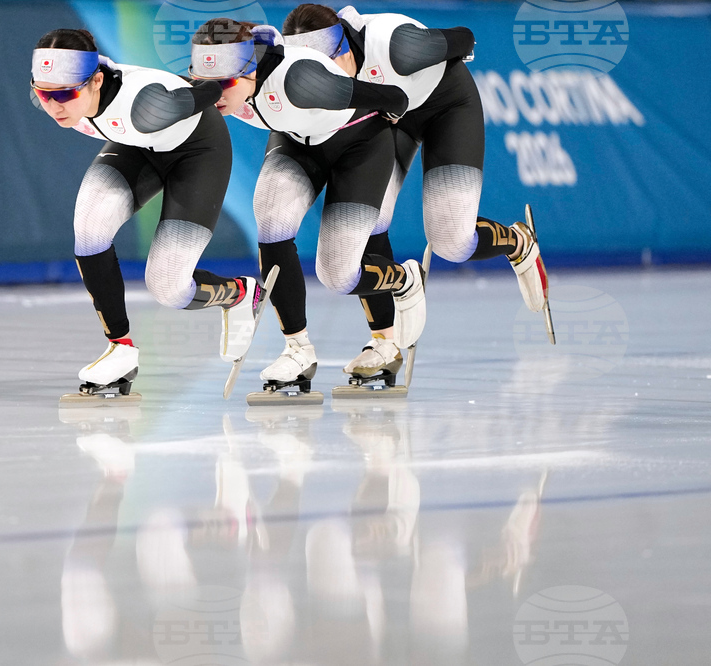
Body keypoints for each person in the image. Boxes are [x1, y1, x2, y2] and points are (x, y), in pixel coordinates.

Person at [281, 4, 550, 379]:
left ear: (343, 50)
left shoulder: (396, 46)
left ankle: (517, 241)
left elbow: (465, 36)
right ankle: (384, 342)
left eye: (324, 74)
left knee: (452, 242)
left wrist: (438, 50)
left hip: (446, 107)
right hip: (389, 117)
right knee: (369, 219)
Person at [190, 18, 427, 395]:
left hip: (359, 144)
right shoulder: (211, 83)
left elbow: (394, 98)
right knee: (270, 218)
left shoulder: (299, 80)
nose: (213, 94)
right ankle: (297, 349)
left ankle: (401, 289)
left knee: (337, 274)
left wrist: (394, 114)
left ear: (250, 70)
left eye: (226, 83)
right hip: (296, 142)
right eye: (204, 82)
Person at [31, 29, 270, 397]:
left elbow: (210, 92)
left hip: (196, 151)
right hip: (137, 144)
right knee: (89, 226)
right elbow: (57, 92)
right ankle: (120, 348)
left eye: (64, 94)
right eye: (43, 93)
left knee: (169, 288)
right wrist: (55, 91)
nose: (53, 105)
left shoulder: (146, 102)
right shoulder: (63, 92)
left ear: (96, 81)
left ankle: (240, 294)